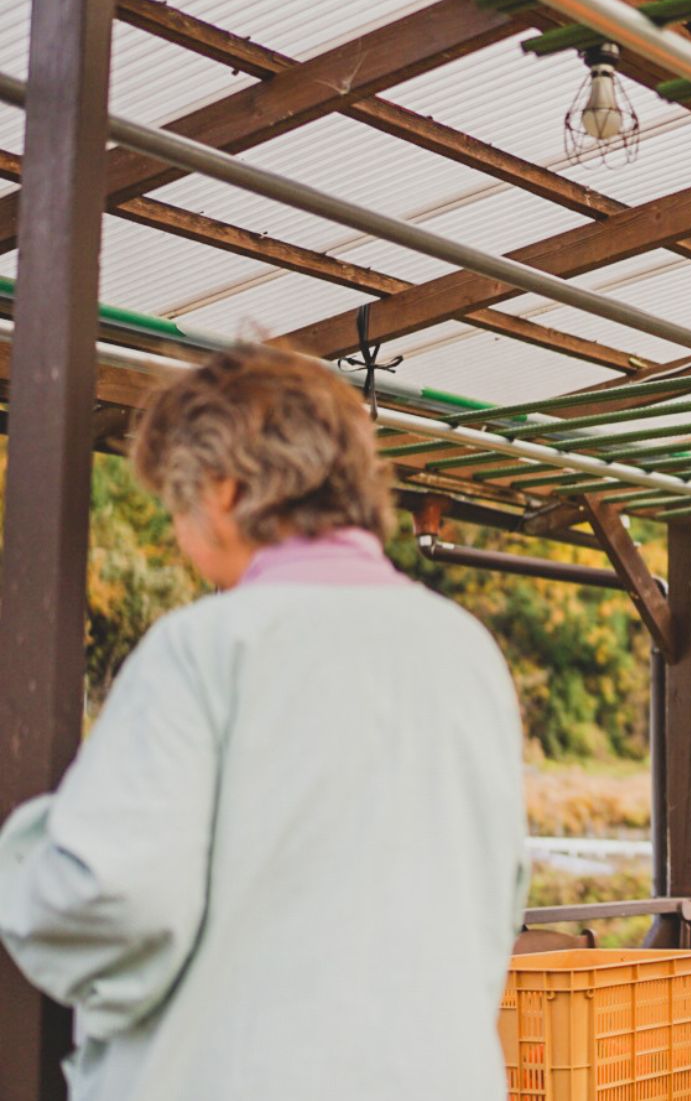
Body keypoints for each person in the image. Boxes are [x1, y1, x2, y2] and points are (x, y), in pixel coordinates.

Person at [0, 348, 528, 1100]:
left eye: (175, 500)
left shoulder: (207, 647)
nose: (179, 527)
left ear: (224, 488)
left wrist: (24, 855)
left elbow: (113, 898)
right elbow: (497, 900)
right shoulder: (467, 651)